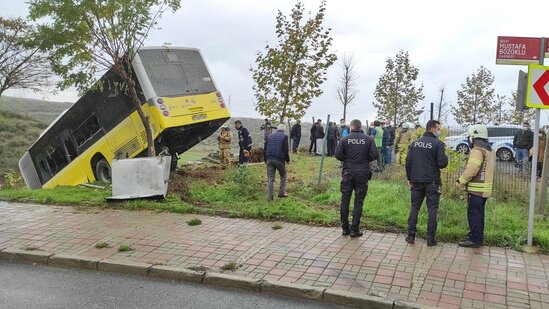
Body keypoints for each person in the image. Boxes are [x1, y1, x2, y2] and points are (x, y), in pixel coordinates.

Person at [405, 120, 448, 246]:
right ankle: (430, 238)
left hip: (416, 181)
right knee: (432, 209)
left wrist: (410, 179)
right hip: (432, 182)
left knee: (414, 207)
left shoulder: (414, 143)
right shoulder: (438, 144)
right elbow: (442, 163)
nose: (439, 131)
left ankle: (411, 235)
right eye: (438, 128)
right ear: (432, 129)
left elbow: (408, 163)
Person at [335, 119, 379, 238]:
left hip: (348, 172)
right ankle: (355, 229)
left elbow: (337, 155)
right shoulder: (368, 139)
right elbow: (375, 154)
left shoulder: (345, 139)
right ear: (360, 127)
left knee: (345, 200)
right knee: (359, 201)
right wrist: (364, 160)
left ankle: (345, 228)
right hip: (362, 173)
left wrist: (347, 159)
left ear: (351, 127)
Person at [456, 124, 495, 248]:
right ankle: (476, 237)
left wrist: (461, 181)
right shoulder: (489, 151)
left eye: (470, 137)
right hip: (485, 190)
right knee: (479, 215)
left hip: (476, 190)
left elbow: (472, 169)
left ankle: (474, 240)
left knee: (474, 215)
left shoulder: (477, 151)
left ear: (474, 137)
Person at [265, 124, 290, 201]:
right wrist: (287, 160)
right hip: (279, 159)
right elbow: (285, 150)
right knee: (283, 175)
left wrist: (265, 159)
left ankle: (270, 196)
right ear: (284, 130)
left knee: (270, 178)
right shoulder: (284, 136)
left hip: (269, 159)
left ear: (277, 129)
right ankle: (281, 192)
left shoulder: (270, 136)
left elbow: (265, 148)